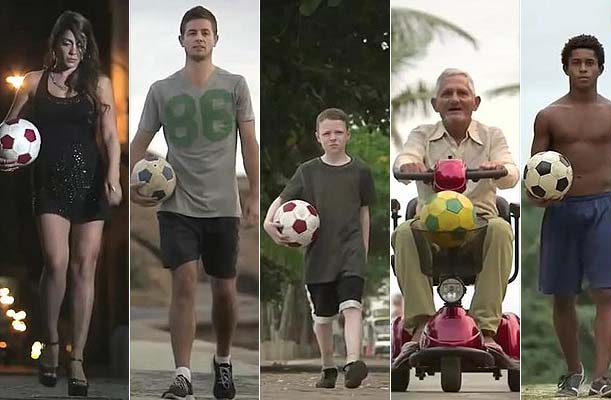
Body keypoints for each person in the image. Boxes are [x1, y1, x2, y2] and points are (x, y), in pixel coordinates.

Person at [129, 6, 259, 400]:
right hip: (177, 205)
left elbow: (249, 143)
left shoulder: (236, 85)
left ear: (215, 39)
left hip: (222, 206)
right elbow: (138, 143)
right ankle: (182, 375)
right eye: (191, 32)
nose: (198, 37)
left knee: (223, 292)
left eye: (205, 32)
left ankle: (222, 360)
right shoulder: (161, 89)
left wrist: (253, 193)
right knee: (183, 283)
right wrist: (134, 183)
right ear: (181, 39)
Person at [0, 10, 122, 396]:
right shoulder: (34, 83)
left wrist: (113, 175)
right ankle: (52, 343)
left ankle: (77, 359)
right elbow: (8, 129)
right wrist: (5, 156)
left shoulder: (100, 84)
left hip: (89, 182)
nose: (73, 51)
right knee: (56, 263)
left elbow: (111, 136)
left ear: (87, 50)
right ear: (55, 45)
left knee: (85, 267)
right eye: (67, 43)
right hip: (48, 184)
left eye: (80, 45)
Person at [529, 34, 611, 398]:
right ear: (566, 67)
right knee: (563, 296)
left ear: (600, 68)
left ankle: (602, 378)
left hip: (602, 210)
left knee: (605, 293)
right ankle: (573, 372)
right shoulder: (548, 116)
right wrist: (539, 200)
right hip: (562, 211)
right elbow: (534, 173)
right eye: (576, 62)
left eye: (590, 63)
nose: (583, 68)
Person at [391, 68, 519, 368]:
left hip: (478, 226)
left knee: (501, 227)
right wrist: (409, 165)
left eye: (462, 93)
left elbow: (511, 172)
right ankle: (420, 327)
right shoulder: (422, 134)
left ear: (475, 101)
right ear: (436, 103)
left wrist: (497, 166)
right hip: (432, 227)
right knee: (405, 231)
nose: (455, 99)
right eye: (447, 94)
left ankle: (486, 331)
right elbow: (405, 158)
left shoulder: (492, 135)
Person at [263, 108, 375, 389]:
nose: (333, 138)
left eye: (338, 132)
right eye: (327, 133)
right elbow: (282, 200)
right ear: (318, 137)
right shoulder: (307, 171)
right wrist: (268, 221)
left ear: (348, 134)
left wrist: (362, 250)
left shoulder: (361, 170)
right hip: (319, 256)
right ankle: (328, 367)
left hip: (350, 251)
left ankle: (352, 362)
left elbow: (364, 213)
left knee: (352, 305)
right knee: (323, 318)